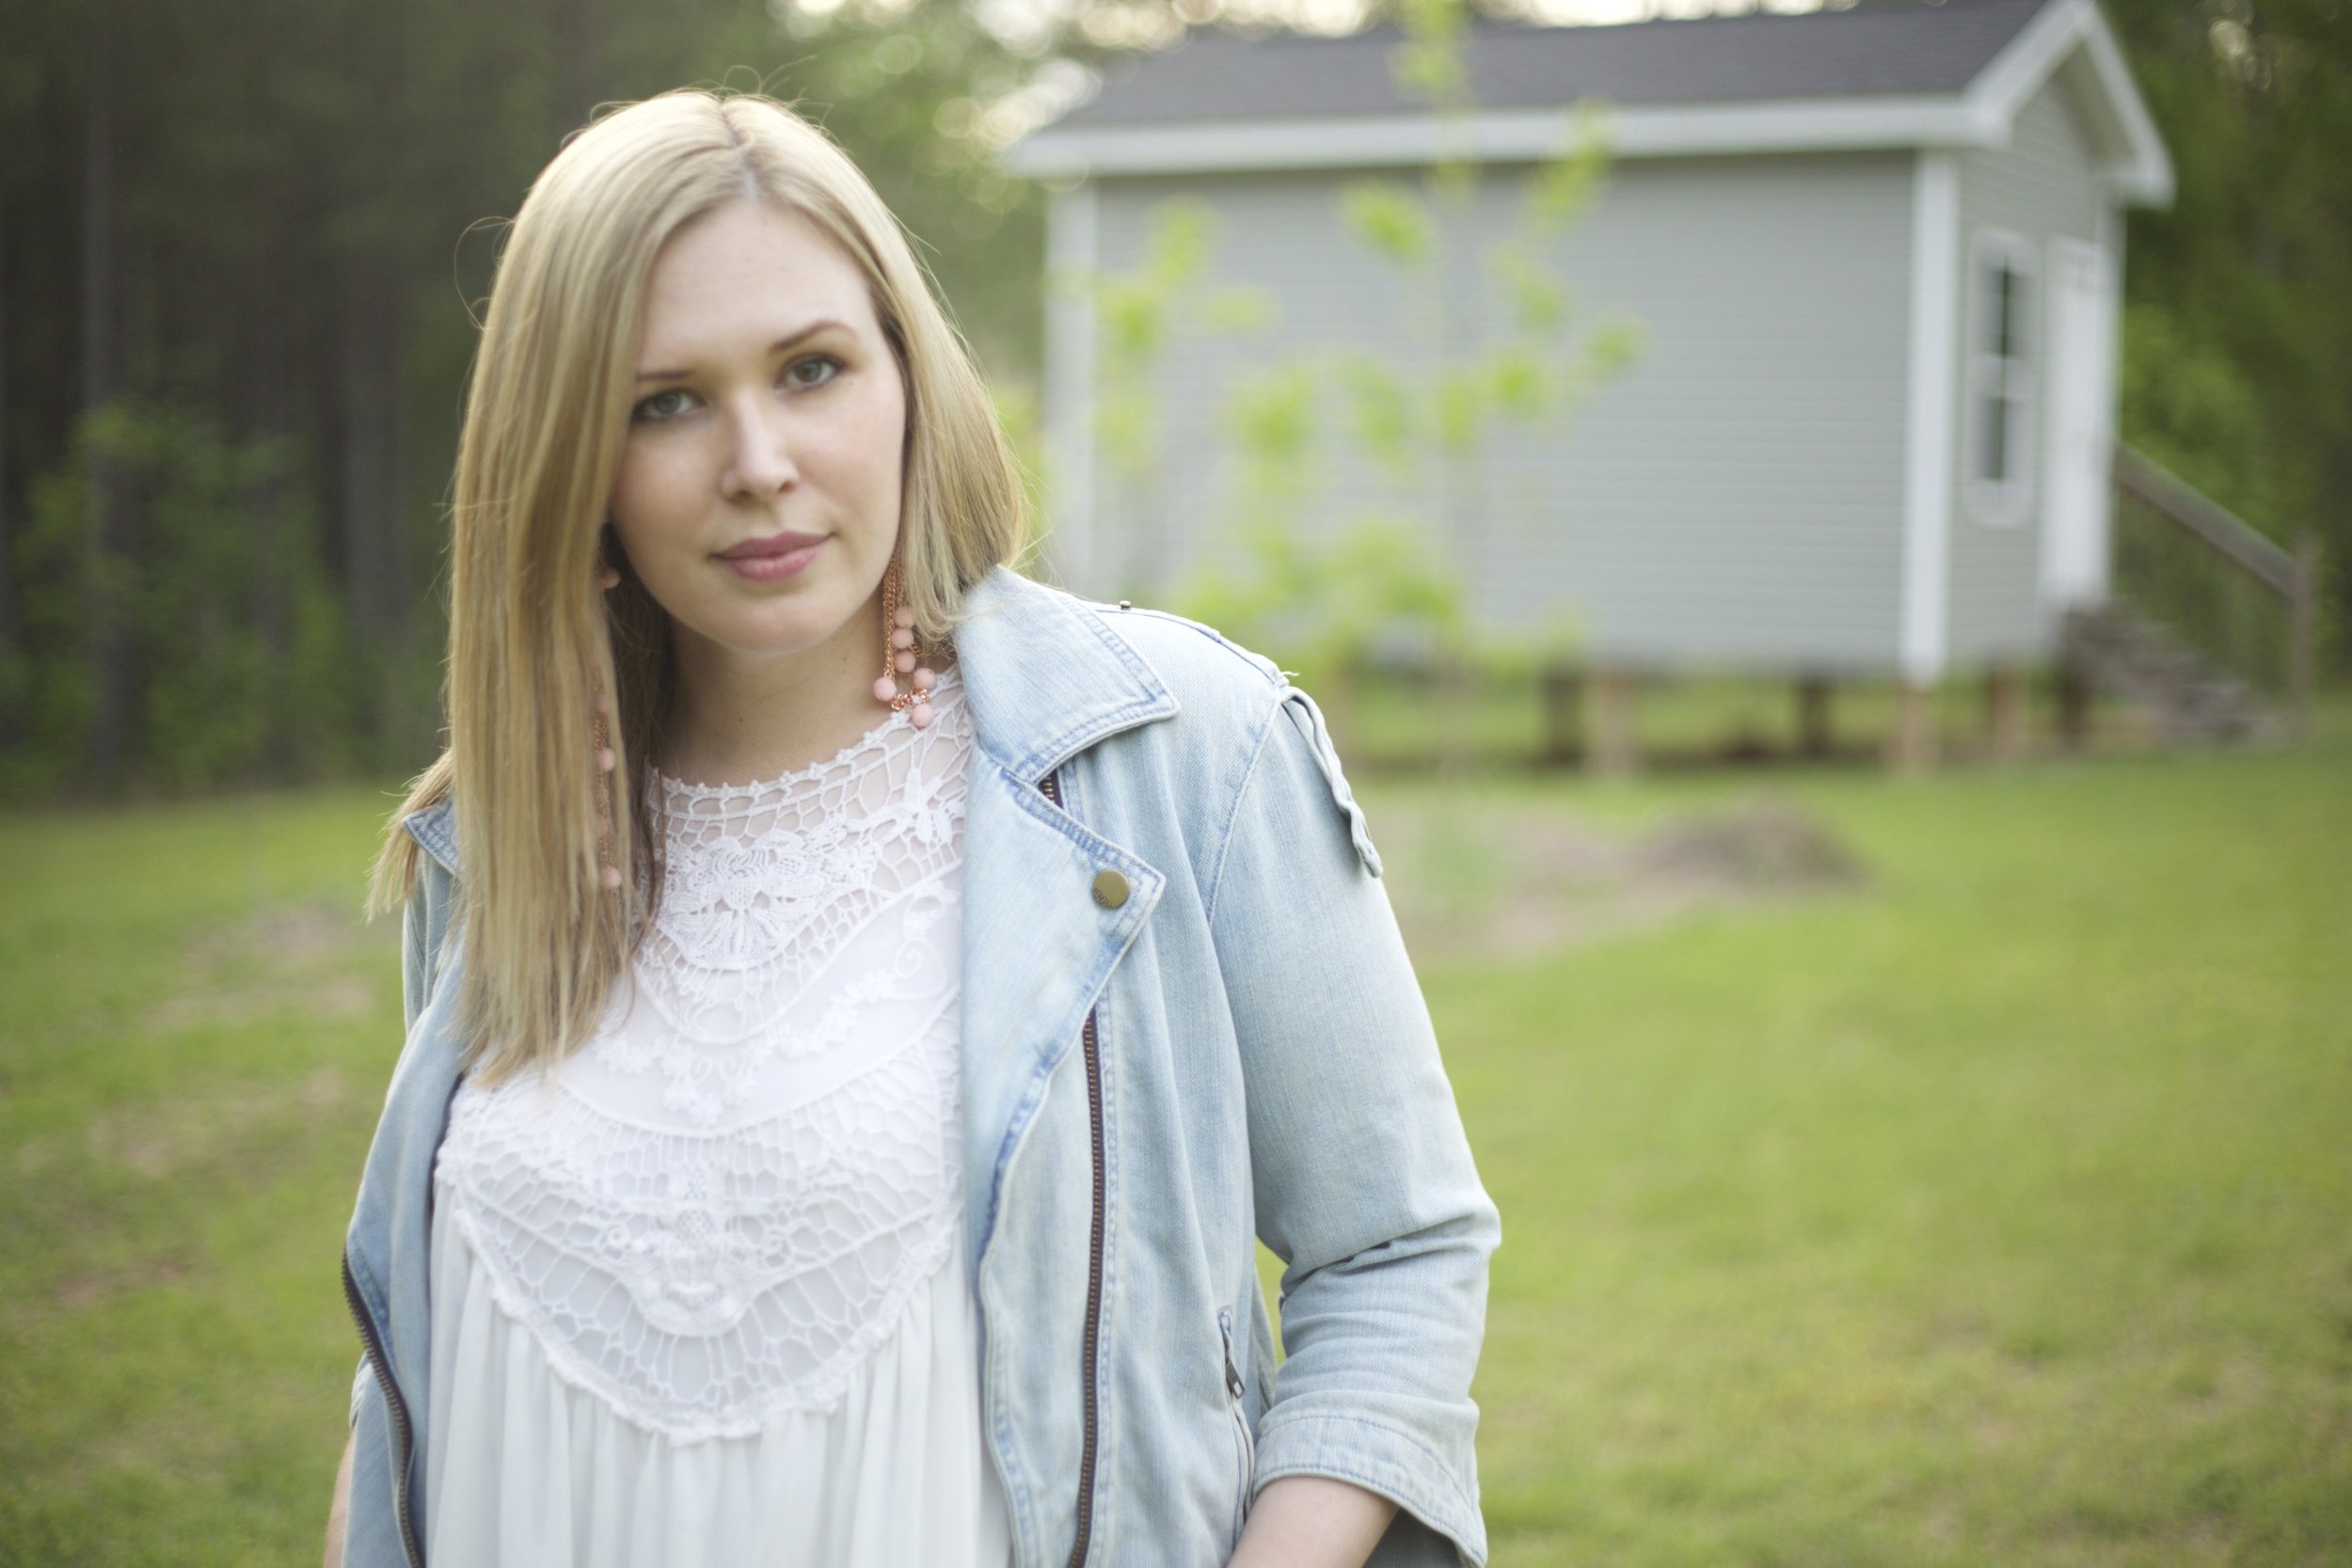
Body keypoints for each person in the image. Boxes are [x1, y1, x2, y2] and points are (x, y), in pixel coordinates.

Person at [326, 88, 1498, 1568]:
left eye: (810, 368)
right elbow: (410, 1365)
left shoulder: (1181, 751)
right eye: (664, 401)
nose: (758, 459)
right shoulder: (496, 838)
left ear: (906, 379)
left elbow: (1396, 1255)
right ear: (571, 459)